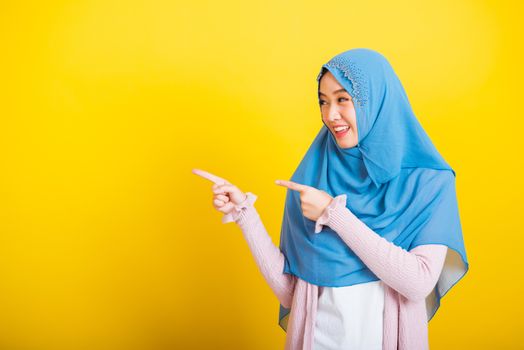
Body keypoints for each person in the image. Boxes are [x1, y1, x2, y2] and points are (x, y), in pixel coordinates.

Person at [193, 48, 469, 350]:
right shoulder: (311, 178)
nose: (330, 115)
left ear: (375, 101)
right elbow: (291, 293)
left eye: (342, 99)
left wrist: (334, 215)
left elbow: (417, 283)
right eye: (323, 102)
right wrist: (245, 215)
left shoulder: (429, 182)